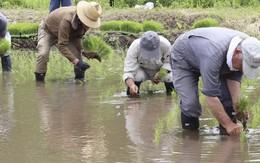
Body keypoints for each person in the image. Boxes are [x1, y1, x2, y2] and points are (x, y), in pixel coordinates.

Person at [170, 27, 260, 136]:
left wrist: (237, 105)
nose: (242, 69)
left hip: (217, 58)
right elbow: (211, 96)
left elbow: (234, 78)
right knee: (190, 104)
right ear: (237, 52)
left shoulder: (248, 45)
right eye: (243, 65)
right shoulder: (212, 54)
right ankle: (190, 139)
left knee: (228, 101)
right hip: (184, 58)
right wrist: (228, 124)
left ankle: (227, 139)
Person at [35, 1, 102, 82]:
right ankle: (39, 84)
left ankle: (79, 83)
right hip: (48, 31)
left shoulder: (86, 22)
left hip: (67, 33)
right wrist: (76, 62)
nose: (88, 25)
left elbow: (77, 37)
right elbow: (62, 46)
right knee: (43, 54)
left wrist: (83, 52)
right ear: (83, 17)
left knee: (78, 55)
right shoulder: (66, 19)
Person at [123, 31, 174, 96]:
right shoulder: (135, 46)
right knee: (136, 77)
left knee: (169, 77)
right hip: (143, 71)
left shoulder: (165, 44)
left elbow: (169, 62)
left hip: (160, 70)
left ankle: (170, 98)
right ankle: (133, 99)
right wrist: (132, 85)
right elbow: (128, 71)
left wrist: (160, 75)